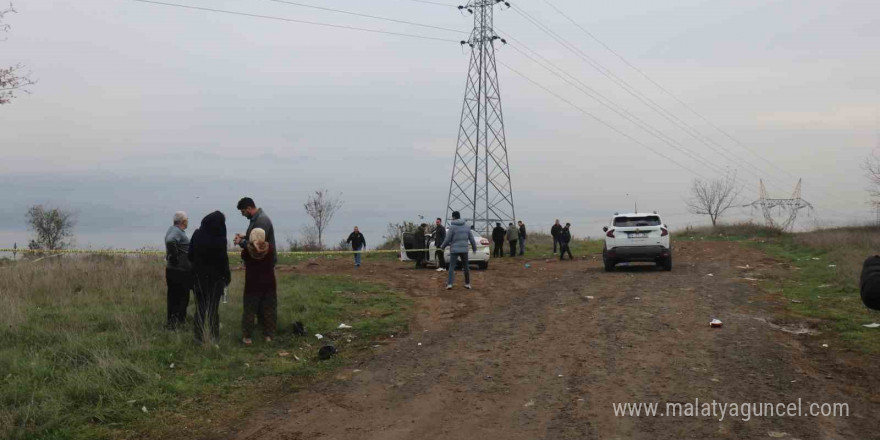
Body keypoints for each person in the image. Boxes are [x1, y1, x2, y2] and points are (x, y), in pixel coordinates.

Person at [188, 211, 231, 344]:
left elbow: (190, 255)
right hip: (215, 280)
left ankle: (198, 338)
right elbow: (224, 261)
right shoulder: (221, 239)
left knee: (200, 309)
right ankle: (214, 337)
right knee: (213, 310)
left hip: (198, 278)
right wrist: (226, 278)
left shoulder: (196, 235)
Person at [240, 228, 277, 345]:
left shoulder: (246, 251)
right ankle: (268, 336)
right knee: (269, 311)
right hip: (269, 284)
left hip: (252, 285)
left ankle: (247, 337)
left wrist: (244, 241)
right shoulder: (270, 249)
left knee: (249, 312)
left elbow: (245, 254)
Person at [164, 211, 192, 329]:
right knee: (182, 297)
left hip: (172, 270)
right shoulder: (176, 231)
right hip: (179, 271)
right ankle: (179, 322)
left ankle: (172, 321)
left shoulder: (172, 229)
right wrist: (175, 257)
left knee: (173, 297)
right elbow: (171, 241)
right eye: (187, 220)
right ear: (183, 221)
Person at [440, 211, 477, 290]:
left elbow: (447, 239)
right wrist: (474, 248)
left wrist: (442, 247)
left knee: (452, 267)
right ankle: (467, 284)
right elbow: (471, 239)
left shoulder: (452, 227)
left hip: (454, 250)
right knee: (466, 267)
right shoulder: (467, 226)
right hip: (464, 250)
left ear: (454, 217)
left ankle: (450, 284)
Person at [234, 197, 276, 264]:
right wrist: (244, 237)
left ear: (249, 208)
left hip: (263, 263)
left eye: (243, 211)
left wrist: (241, 241)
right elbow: (255, 238)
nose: (242, 214)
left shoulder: (261, 220)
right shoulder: (256, 219)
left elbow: (257, 246)